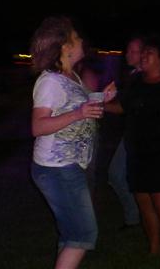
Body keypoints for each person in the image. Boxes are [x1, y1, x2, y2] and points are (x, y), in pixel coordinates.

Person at [29, 16, 117, 269]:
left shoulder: (72, 77)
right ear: (65, 46)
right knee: (83, 234)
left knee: (71, 234)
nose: (81, 41)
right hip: (57, 169)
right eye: (76, 38)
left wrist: (101, 98)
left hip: (73, 165)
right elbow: (38, 126)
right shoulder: (50, 81)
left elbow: (78, 106)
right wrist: (79, 113)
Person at [107, 34, 160, 269]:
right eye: (142, 53)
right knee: (144, 205)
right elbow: (122, 107)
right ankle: (153, 248)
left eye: (148, 53)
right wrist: (100, 104)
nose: (143, 56)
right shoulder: (136, 83)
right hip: (137, 153)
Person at [107, 36, 143, 230]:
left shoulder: (143, 77)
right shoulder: (133, 75)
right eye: (127, 50)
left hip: (139, 136)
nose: (128, 54)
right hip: (133, 134)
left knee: (117, 174)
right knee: (121, 175)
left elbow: (122, 108)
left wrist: (98, 105)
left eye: (133, 51)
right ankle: (137, 216)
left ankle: (135, 216)